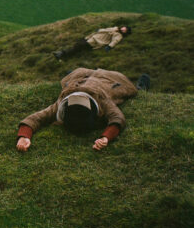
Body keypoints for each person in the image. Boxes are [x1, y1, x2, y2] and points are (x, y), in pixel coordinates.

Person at [16, 68, 150, 152]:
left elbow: (117, 117)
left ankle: (141, 86)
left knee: (132, 90)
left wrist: (106, 137)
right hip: (82, 75)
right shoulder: (64, 101)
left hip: (111, 78)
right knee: (70, 75)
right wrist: (24, 136)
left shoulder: (101, 99)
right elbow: (35, 118)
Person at [53, 25, 131, 59]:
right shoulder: (115, 28)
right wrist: (99, 30)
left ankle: (62, 54)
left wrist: (109, 46)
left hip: (96, 41)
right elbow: (106, 29)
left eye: (125, 30)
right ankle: (65, 54)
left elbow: (115, 41)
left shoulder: (119, 35)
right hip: (92, 36)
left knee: (78, 46)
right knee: (78, 45)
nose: (124, 29)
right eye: (124, 28)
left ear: (125, 33)